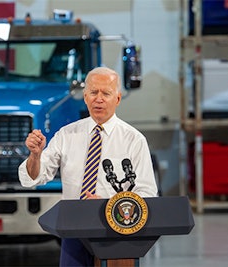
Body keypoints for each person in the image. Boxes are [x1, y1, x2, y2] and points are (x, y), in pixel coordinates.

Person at [18, 66, 158, 266]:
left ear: (117, 99)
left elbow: (147, 193)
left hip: (116, 231)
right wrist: (35, 155)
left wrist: (109, 205)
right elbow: (33, 178)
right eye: (93, 92)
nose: (98, 99)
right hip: (74, 230)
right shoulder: (66, 135)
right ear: (85, 97)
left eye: (106, 93)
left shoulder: (134, 140)